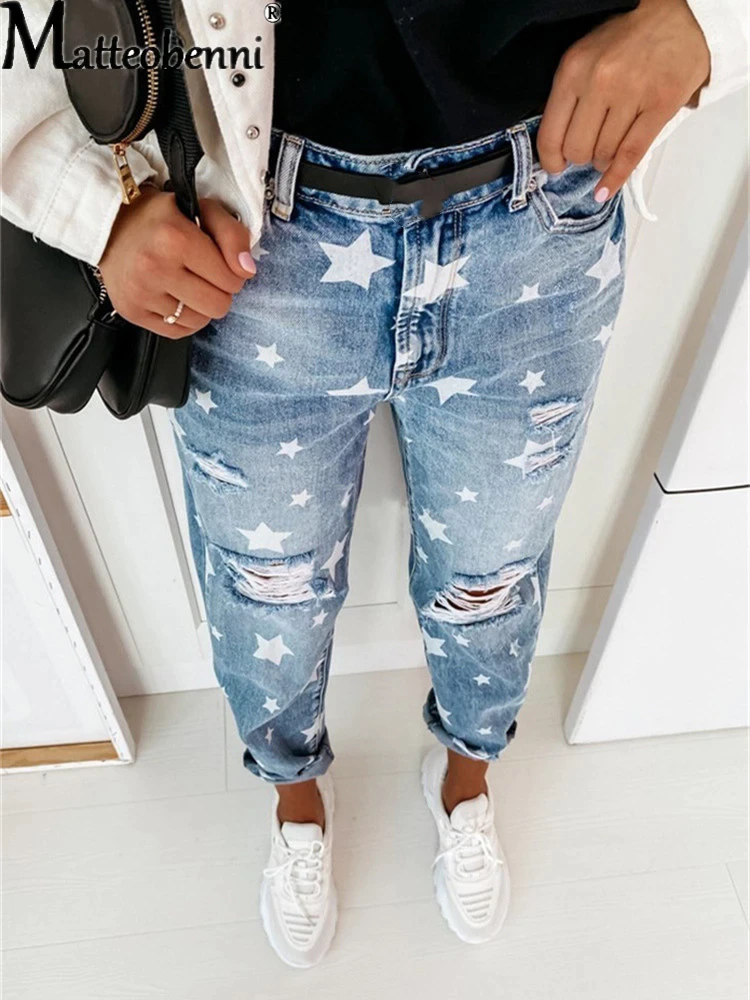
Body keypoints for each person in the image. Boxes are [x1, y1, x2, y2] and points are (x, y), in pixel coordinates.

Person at [2, 0, 747, 970]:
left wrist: (708, 22)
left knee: (491, 575)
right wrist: (88, 199)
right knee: (266, 585)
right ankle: (296, 803)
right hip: (252, 236)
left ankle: (464, 784)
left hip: (543, 212)